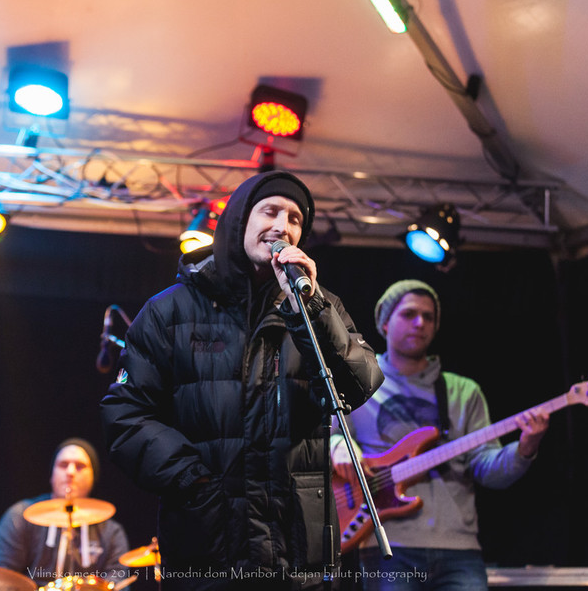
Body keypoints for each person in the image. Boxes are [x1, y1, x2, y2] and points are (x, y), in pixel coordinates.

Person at [99, 170, 384, 589]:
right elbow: (125, 413)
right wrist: (192, 479)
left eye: (295, 219)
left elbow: (359, 385)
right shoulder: (169, 311)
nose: (282, 227)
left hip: (298, 551)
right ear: (238, 221)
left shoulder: (319, 307)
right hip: (209, 543)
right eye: (270, 211)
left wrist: (312, 309)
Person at [331, 279, 549, 590]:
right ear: (384, 323)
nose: (419, 323)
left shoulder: (464, 392)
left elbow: (489, 471)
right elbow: (327, 437)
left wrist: (525, 448)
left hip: (459, 549)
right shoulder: (358, 382)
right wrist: (340, 447)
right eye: (409, 314)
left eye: (428, 317)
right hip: (388, 546)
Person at [0, 438, 130, 588]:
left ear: (93, 476)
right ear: (52, 474)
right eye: (63, 465)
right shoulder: (20, 517)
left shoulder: (111, 532)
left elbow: (117, 583)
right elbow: (1, 578)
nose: (70, 472)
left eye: (80, 466)